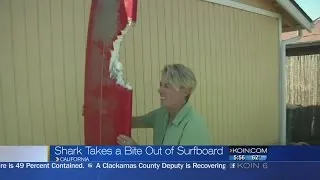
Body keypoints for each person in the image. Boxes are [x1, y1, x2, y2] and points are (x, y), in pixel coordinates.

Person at [117, 64, 211, 145]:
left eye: (167, 86)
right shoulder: (161, 114)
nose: (160, 90)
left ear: (186, 91)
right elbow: (132, 121)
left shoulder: (194, 126)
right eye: (161, 85)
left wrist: (136, 151)